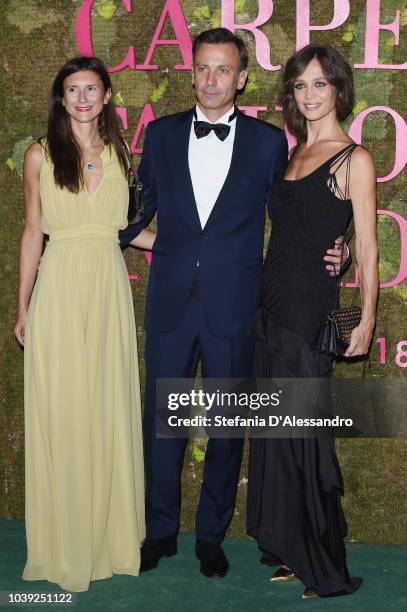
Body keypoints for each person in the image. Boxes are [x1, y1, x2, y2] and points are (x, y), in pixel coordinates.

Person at [119, 28, 345, 578]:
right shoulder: (163, 135)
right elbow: (131, 216)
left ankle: (212, 538)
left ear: (242, 78)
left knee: (226, 429)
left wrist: (348, 248)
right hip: (172, 303)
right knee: (162, 424)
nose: (212, 79)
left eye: (223, 70)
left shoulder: (270, 144)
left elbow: (297, 214)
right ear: (191, 71)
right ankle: (161, 530)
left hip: (237, 307)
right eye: (202, 68)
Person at [14, 57, 154, 592]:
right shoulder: (40, 155)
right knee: (68, 412)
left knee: (107, 408)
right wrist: (23, 307)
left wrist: (183, 250)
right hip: (61, 290)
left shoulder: (120, 153)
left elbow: (121, 230)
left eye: (90, 88)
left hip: (109, 292)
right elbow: (33, 233)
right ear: (61, 98)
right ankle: (66, 544)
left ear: (107, 94)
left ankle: (109, 541)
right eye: (72, 89)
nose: (82, 98)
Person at [246, 44, 378, 598]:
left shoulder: (355, 159)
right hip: (271, 305)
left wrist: (367, 317)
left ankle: (324, 563)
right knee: (277, 435)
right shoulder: (292, 153)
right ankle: (293, 548)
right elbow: (301, 231)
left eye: (320, 84)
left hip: (309, 311)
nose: (310, 94)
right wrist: (338, 247)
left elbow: (368, 247)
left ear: (339, 89)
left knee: (305, 438)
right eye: (300, 86)